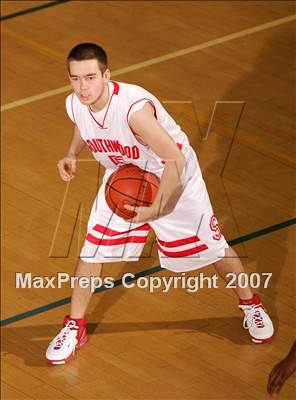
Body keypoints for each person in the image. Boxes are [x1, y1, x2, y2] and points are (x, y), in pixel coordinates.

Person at [46, 43, 274, 364]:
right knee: (93, 250)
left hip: (173, 175)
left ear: (107, 75)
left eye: (90, 78)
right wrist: (72, 153)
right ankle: (75, 325)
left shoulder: (132, 110)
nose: (82, 87)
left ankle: (251, 304)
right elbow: (82, 123)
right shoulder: (77, 102)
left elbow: (175, 159)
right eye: (75, 79)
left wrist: (157, 208)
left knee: (213, 248)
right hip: (125, 177)